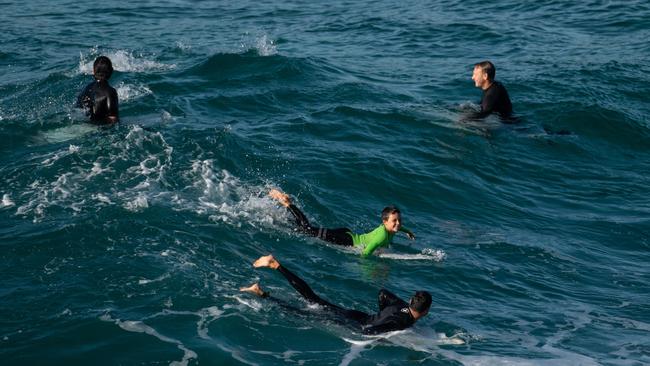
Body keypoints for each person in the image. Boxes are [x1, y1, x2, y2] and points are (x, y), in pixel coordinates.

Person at [240, 254, 432, 335]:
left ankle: (276, 267)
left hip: (354, 314)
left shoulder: (400, 304)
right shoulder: (403, 322)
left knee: (313, 299)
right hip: (353, 323)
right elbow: (371, 331)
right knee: (300, 313)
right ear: (426, 311)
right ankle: (262, 293)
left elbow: (382, 294)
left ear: (411, 300)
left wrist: (380, 314)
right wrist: (379, 335)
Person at [269, 188, 415, 257]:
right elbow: (365, 253)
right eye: (394, 221)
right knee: (306, 229)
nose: (398, 224)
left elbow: (399, 228)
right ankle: (287, 203)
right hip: (345, 240)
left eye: (399, 220)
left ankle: (285, 214)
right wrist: (370, 270)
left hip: (348, 235)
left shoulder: (391, 228)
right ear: (384, 222)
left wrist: (408, 232)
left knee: (307, 229)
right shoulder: (382, 236)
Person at [76, 56, 119, 124]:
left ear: (93, 71)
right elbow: (113, 118)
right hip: (100, 128)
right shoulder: (110, 91)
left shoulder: (86, 89)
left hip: (83, 125)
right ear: (111, 71)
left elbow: (77, 109)